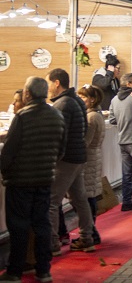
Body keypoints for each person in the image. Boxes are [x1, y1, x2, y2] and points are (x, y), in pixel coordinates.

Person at [0, 77, 65, 283]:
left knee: (19, 227)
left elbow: (9, 151)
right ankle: (43, 270)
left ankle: (15, 271)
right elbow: (61, 150)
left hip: (20, 181)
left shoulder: (23, 117)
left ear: (27, 94)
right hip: (45, 178)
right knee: (42, 224)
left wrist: (4, 171)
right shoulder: (57, 115)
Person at [45, 68, 96, 255]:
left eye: (49, 83)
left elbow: (59, 135)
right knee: (80, 199)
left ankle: (52, 244)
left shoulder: (62, 104)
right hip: (77, 156)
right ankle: (87, 238)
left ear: (56, 83)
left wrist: (54, 157)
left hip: (66, 159)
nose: (48, 87)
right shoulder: (74, 101)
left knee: (52, 201)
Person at [110, 73, 132, 212]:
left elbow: (113, 120)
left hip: (122, 140)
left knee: (126, 173)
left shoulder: (114, 100)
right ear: (129, 84)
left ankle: (126, 202)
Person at [77, 84, 106, 246]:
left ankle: (91, 232)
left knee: (87, 197)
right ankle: (91, 231)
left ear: (92, 99)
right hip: (93, 157)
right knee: (89, 196)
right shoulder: (96, 115)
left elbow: (85, 141)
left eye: (83, 97)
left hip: (88, 159)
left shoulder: (91, 118)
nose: (80, 100)